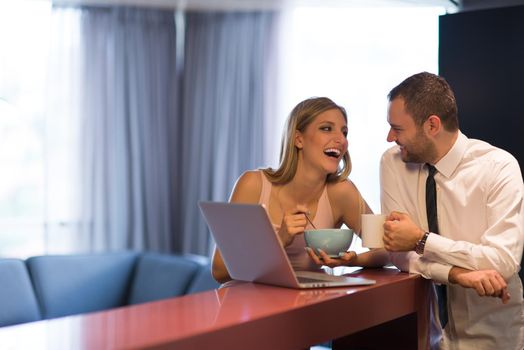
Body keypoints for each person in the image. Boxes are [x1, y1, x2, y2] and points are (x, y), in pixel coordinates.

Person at [380, 72, 523, 349]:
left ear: (432, 125)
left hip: (493, 338)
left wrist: (423, 240)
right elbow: (398, 252)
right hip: (426, 333)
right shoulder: (393, 163)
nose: (389, 138)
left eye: (397, 128)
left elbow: (503, 262)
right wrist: (457, 274)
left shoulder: (499, 168)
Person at [211, 97, 388, 283]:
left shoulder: (342, 192)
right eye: (326, 128)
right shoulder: (252, 184)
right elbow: (220, 271)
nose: (341, 140)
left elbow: (386, 251)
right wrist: (279, 241)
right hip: (250, 304)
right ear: (298, 139)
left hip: (305, 305)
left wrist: (353, 260)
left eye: (344, 132)